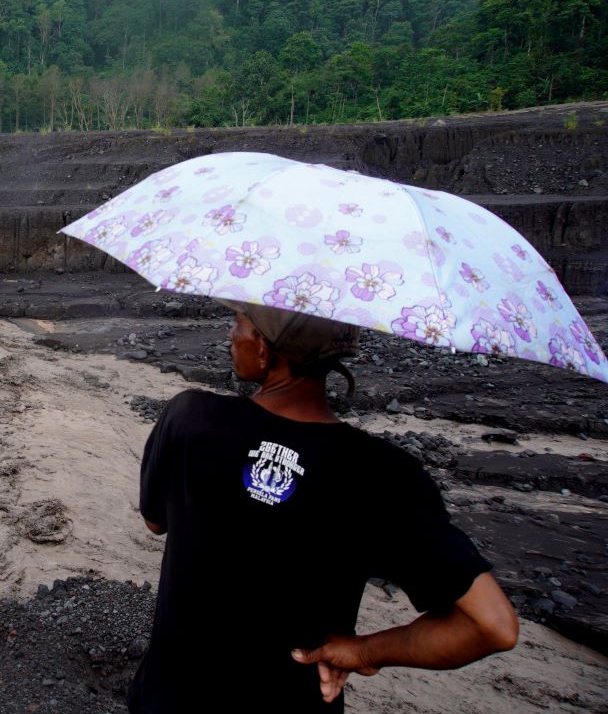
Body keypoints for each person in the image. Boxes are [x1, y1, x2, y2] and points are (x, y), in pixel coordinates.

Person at [127, 303, 518, 712]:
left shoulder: (189, 417)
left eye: (239, 323)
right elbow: (491, 626)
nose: (231, 334)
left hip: (170, 697)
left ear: (264, 348)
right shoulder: (381, 474)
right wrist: (367, 652)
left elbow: (156, 521)